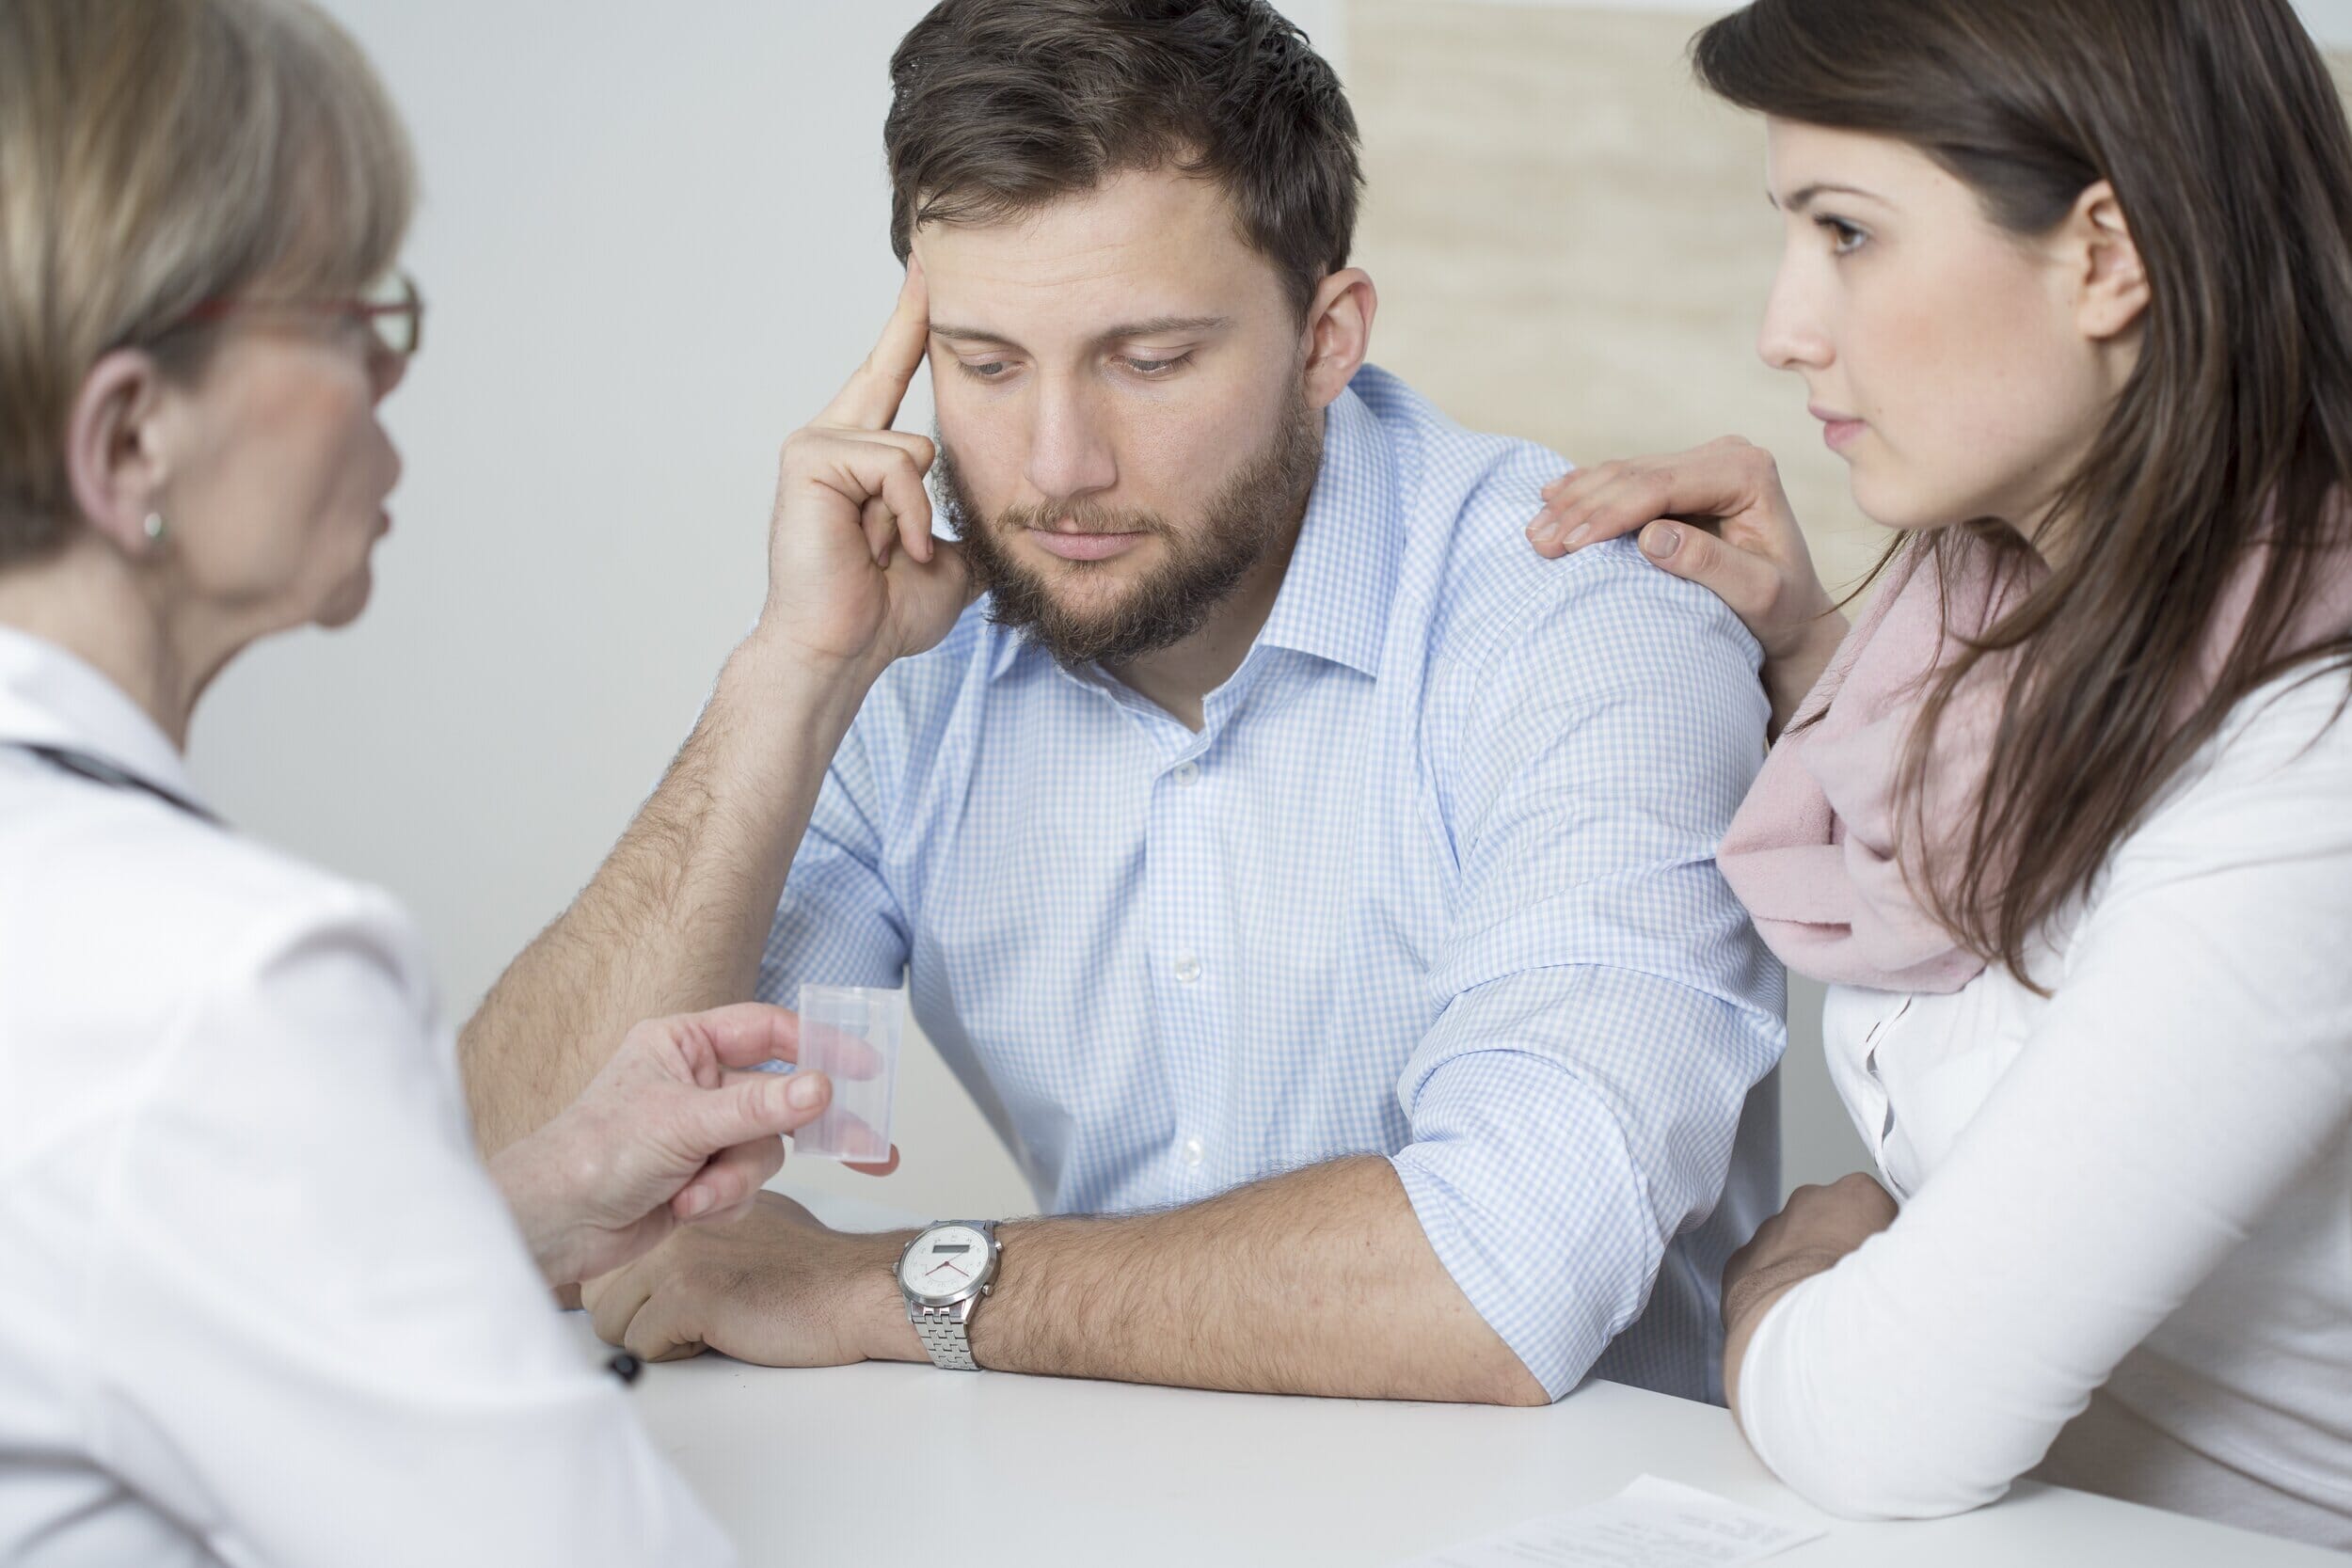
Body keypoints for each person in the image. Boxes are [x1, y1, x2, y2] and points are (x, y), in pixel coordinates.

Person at [462, 0, 1785, 1408]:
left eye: (1147, 362)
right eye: (983, 364)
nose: (1055, 464)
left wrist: (878, 1284)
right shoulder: (908, 658)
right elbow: (523, 1194)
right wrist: (790, 676)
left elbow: (1502, 1276)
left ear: (1327, 338)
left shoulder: (1587, 625)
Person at [0, 2, 845, 1561]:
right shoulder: (219, 990)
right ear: (129, 441)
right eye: (345, 321)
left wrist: (519, 1206)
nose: (392, 373)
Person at [1526, 0, 2352, 1546]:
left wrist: (1784, 1281)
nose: (1785, 327)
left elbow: (1885, 1424)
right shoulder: (2010, 631)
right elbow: (2059, 892)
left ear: (2108, 256)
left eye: (1847, 233)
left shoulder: (2314, 767)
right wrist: (1811, 652)